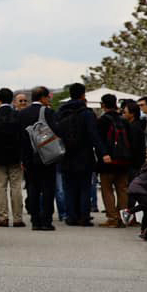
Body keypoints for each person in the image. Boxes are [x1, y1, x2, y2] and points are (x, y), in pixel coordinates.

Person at [57, 83, 108, 226]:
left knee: (69, 187)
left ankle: (71, 216)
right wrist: (102, 153)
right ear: (83, 95)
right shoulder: (87, 113)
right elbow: (94, 135)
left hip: (65, 154)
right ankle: (84, 216)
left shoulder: (61, 112)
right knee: (85, 187)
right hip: (84, 155)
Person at [18, 86, 60, 231]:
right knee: (48, 188)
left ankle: (35, 220)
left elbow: (20, 138)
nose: (49, 99)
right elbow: (56, 131)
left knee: (33, 188)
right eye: (48, 97)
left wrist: (23, 159)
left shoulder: (23, 114)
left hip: (30, 157)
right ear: (42, 97)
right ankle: (46, 220)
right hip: (47, 156)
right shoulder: (48, 112)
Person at [0, 88, 26, 227]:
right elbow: (22, 138)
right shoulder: (18, 115)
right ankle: (18, 218)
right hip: (15, 157)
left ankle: (3, 217)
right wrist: (22, 157)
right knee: (16, 187)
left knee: (0, 187)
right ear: (12, 99)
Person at [96, 94, 130, 228]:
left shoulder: (102, 121)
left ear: (103, 105)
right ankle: (123, 217)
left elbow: (98, 140)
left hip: (108, 160)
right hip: (124, 160)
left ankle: (112, 217)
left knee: (107, 189)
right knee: (122, 189)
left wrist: (103, 154)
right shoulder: (124, 120)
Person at [122, 100, 146, 181]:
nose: (123, 114)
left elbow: (134, 147)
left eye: (125, 112)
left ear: (132, 114)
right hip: (136, 163)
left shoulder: (134, 127)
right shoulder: (134, 125)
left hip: (134, 164)